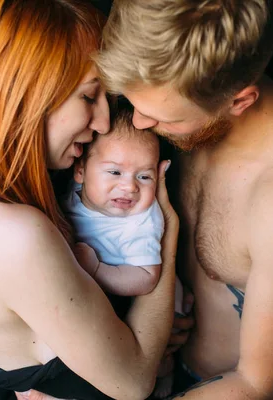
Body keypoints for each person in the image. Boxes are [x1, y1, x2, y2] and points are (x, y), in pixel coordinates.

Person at [0, 1, 178, 399]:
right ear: (23, 92)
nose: (105, 121)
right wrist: (165, 237)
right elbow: (133, 381)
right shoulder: (15, 236)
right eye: (89, 96)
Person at [96, 0, 273, 399]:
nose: (142, 124)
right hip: (152, 361)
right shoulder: (181, 104)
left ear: (239, 101)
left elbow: (257, 383)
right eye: (135, 104)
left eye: (166, 119)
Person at [62, 105, 185, 399]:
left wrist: (96, 270)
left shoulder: (141, 222)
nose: (129, 186)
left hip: (144, 297)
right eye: (115, 171)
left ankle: (165, 368)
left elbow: (146, 278)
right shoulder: (72, 196)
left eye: (144, 177)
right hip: (106, 303)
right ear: (80, 171)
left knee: (163, 348)